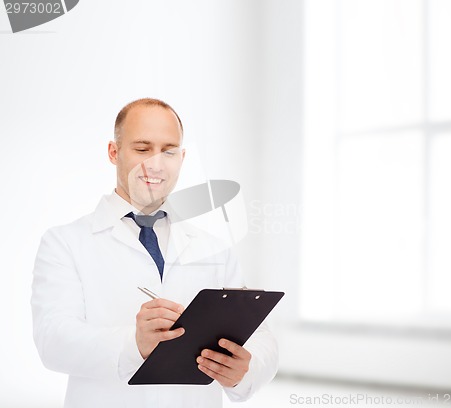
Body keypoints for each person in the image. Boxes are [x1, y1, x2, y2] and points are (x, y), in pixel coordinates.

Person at [31, 98, 279, 408]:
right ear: (114, 152)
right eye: (142, 148)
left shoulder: (213, 248)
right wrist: (134, 344)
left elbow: (261, 335)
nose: (156, 164)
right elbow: (52, 341)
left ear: (182, 157)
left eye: (169, 151)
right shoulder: (64, 242)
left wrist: (246, 369)